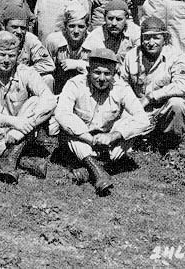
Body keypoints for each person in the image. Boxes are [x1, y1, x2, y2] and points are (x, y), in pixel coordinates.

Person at [0, 32, 56, 183]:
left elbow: (49, 100)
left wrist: (21, 128)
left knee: (37, 101)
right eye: (2, 54)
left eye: (11, 56)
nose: (6, 60)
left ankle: (3, 156)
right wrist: (14, 122)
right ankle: (16, 156)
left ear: (18, 55)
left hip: (20, 132)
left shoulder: (26, 72)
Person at [55, 48, 150, 196]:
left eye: (107, 73)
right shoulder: (75, 84)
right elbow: (62, 113)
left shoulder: (121, 87)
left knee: (130, 124)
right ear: (88, 70)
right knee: (68, 127)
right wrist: (88, 138)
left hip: (108, 141)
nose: (102, 78)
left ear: (115, 72)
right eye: (97, 72)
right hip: (83, 140)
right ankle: (98, 171)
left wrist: (114, 136)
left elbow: (143, 119)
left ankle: (89, 169)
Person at [119, 17, 185, 147]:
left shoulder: (175, 55)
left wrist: (151, 97)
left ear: (165, 39)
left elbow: (183, 86)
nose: (151, 42)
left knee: (177, 104)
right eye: (146, 38)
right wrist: (132, 105)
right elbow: (121, 84)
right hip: (139, 109)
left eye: (156, 38)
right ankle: (147, 137)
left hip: (163, 109)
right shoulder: (131, 56)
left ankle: (170, 141)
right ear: (141, 38)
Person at [0, 4, 55, 90]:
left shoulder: (31, 40)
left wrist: (20, 73)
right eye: (14, 27)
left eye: (22, 28)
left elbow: (48, 64)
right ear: (3, 26)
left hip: (23, 82)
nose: (19, 31)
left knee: (48, 78)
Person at [45, 3, 90, 94]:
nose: (76, 31)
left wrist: (79, 64)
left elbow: (101, 71)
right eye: (72, 26)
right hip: (60, 84)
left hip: (85, 87)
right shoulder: (53, 40)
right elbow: (45, 67)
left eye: (81, 27)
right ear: (65, 26)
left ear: (87, 27)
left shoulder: (94, 43)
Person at [82, 0, 140, 64]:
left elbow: (142, 55)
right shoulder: (96, 35)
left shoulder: (135, 31)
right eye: (110, 18)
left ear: (126, 18)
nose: (114, 23)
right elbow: (88, 63)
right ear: (104, 17)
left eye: (119, 19)